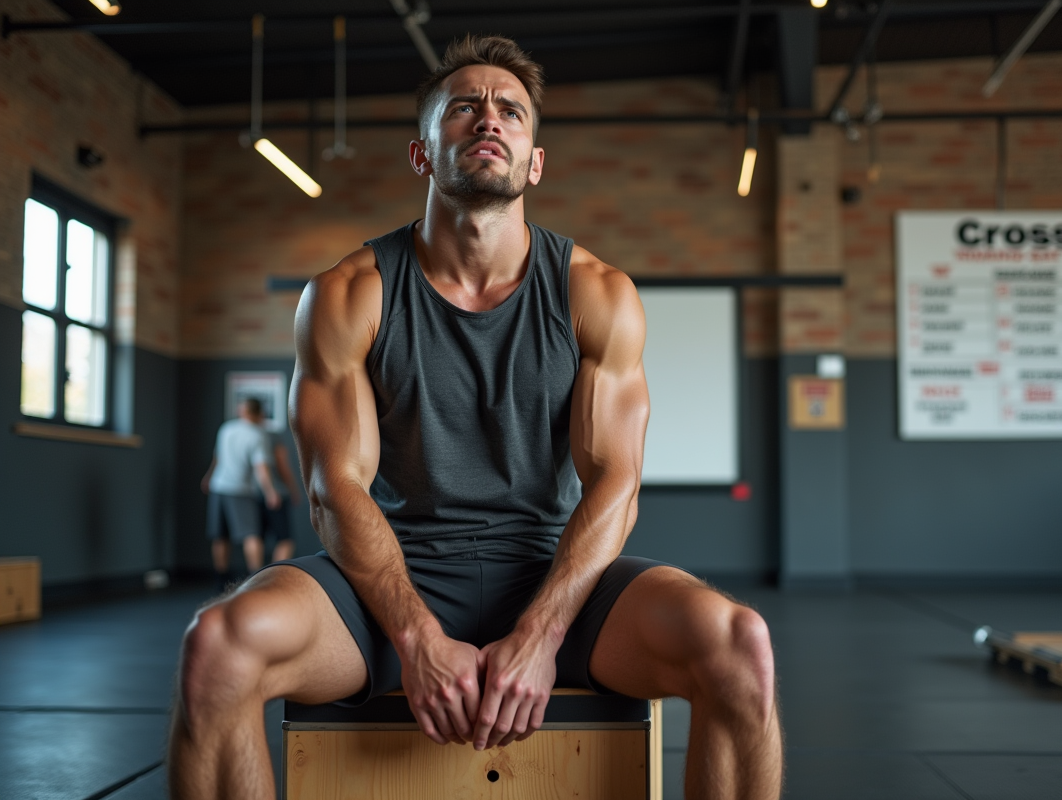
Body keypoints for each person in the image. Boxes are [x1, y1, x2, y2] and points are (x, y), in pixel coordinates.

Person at [169, 35, 781, 800]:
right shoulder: (350, 293)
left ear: (535, 161)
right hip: (392, 578)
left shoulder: (596, 292)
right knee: (218, 647)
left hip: (553, 576)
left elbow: (615, 482)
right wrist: (416, 636)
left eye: (511, 111)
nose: (490, 118)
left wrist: (543, 634)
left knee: (738, 644)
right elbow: (334, 488)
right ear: (422, 153)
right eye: (464, 107)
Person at [200, 397, 280, 588]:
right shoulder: (258, 435)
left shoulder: (226, 429)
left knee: (220, 536)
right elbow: (261, 469)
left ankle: (220, 581)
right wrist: (271, 492)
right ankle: (256, 580)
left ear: (242, 411)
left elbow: (217, 458)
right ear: (259, 414)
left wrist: (209, 477)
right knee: (251, 535)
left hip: (219, 487)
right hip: (241, 490)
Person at [259, 427, 301, 563]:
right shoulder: (272, 435)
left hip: (252, 495)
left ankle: (255, 576)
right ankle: (275, 574)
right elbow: (282, 465)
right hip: (276, 494)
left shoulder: (234, 432)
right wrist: (293, 490)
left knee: (256, 538)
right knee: (285, 541)